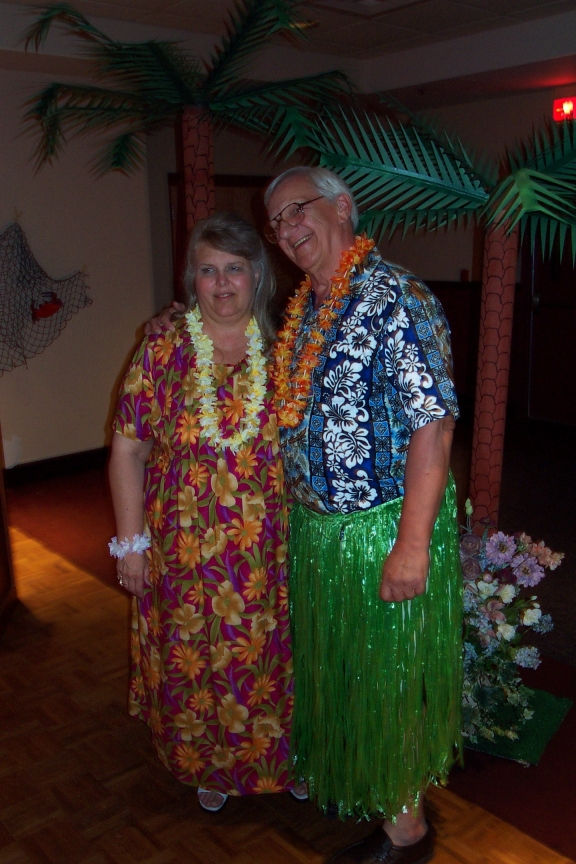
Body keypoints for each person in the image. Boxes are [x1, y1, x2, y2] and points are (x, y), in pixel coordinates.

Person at [263, 166, 463, 864]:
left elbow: (433, 423)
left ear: (343, 206)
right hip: (320, 532)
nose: (287, 228)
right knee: (345, 673)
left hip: (382, 526)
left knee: (390, 679)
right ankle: (375, 788)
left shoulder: (396, 297)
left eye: (298, 209)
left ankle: (408, 834)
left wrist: (412, 545)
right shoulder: (307, 308)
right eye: (276, 221)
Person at [108, 212, 297, 814]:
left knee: (278, 658)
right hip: (185, 549)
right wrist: (131, 545)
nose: (221, 284)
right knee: (201, 660)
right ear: (192, 278)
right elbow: (128, 450)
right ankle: (211, 765)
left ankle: (288, 760)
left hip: (274, 550)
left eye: (234, 268)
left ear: (258, 274)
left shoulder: (290, 348)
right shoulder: (162, 348)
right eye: (207, 270)